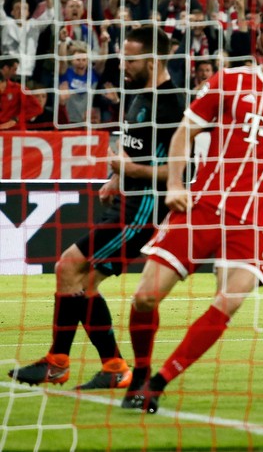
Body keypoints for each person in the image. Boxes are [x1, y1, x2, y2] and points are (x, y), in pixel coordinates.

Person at [121, 7, 263, 413]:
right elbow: (183, 134)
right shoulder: (229, 82)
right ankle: (140, 371)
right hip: (203, 208)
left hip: (257, 223)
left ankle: (157, 384)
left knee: (229, 301)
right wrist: (175, 185)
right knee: (144, 298)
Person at [7, 27, 186, 389]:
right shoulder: (136, 93)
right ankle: (111, 366)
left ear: (152, 61)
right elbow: (132, 150)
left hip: (144, 212)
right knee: (83, 283)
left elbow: (184, 170)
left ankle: (62, 362)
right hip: (126, 201)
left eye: (130, 59)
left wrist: (131, 172)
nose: (122, 65)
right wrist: (116, 179)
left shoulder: (172, 106)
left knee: (67, 266)